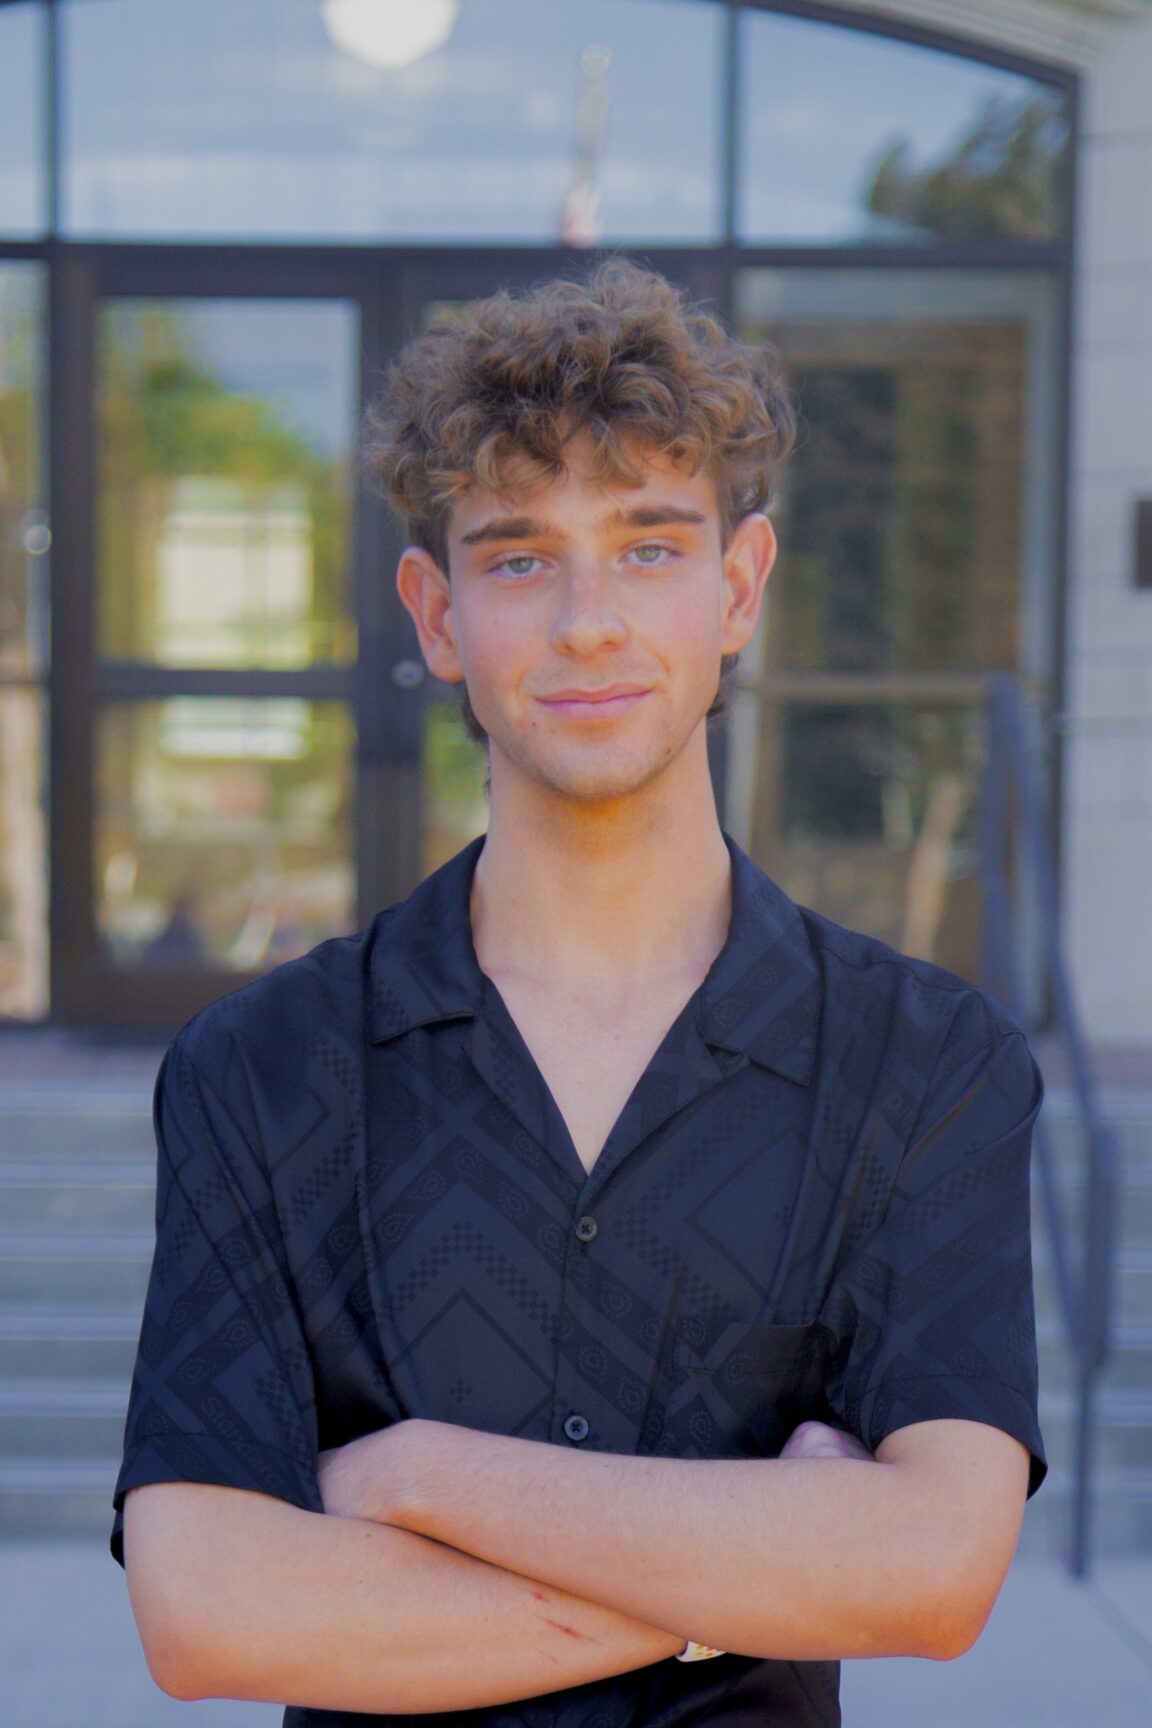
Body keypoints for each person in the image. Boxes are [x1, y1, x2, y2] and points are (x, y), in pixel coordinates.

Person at [111, 258, 1048, 1728]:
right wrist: (747, 1568)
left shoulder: (929, 1065)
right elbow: (205, 1610)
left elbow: (932, 1571)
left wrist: (418, 1478)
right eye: (520, 557)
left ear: (739, 588)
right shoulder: (267, 1069)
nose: (590, 621)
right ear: (437, 617)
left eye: (650, 546)